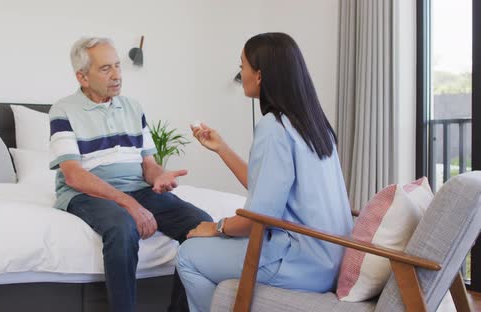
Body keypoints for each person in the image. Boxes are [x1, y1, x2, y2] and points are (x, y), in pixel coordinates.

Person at [175, 32, 354, 312]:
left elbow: (260, 218)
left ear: (259, 75)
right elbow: (267, 190)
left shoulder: (274, 127)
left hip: (297, 262)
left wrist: (217, 227)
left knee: (187, 255)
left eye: (242, 66)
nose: (241, 72)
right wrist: (221, 148)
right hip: (329, 260)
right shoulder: (314, 124)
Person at [49, 37, 212, 312]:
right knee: (123, 226)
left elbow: (148, 163)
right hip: (86, 192)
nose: (116, 75)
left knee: (202, 226)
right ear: (82, 77)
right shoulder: (63, 110)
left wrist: (158, 176)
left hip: (138, 188)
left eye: (117, 66)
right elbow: (74, 176)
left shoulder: (134, 108)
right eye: (105, 69)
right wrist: (128, 203)